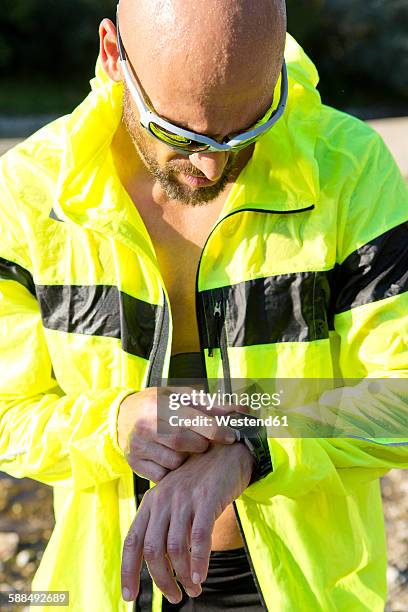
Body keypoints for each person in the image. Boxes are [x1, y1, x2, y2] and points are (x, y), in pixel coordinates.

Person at [0, 0, 407, 610]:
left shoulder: (346, 170)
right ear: (113, 55)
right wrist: (114, 425)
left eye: (248, 129)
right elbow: (8, 411)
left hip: (310, 592)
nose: (211, 164)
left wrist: (253, 446)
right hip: (105, 588)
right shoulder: (32, 195)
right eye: (179, 134)